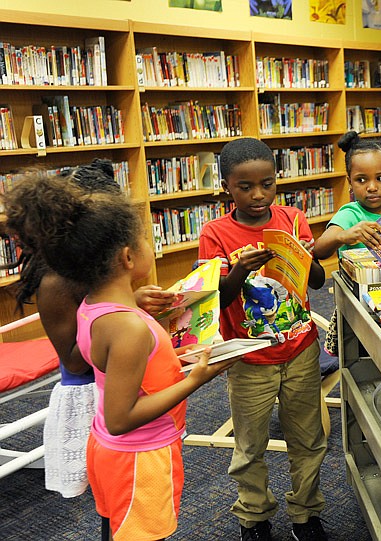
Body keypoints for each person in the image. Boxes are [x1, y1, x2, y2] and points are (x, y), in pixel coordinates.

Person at [2, 169, 237, 541]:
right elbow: (120, 417)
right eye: (144, 239)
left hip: (115, 453)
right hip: (139, 456)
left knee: (118, 529)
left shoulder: (94, 305)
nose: (149, 245)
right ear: (127, 256)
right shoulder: (126, 326)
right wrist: (196, 379)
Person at [2, 160, 175, 501]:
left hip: (119, 387)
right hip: (91, 394)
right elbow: (75, 361)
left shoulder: (106, 272)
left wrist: (134, 305)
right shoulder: (55, 282)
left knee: (128, 497)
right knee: (120, 497)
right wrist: (122, 320)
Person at [197, 137, 328, 541]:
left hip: (300, 349)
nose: (258, 195)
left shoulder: (292, 218)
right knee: (250, 444)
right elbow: (215, 300)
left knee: (307, 438)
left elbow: (318, 282)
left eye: (267, 184)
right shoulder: (215, 232)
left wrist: (306, 256)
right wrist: (239, 270)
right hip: (250, 357)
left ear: (277, 181)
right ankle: (253, 516)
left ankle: (306, 514)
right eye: (245, 187)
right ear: (226, 187)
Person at [315, 131, 381, 259]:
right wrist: (343, 236)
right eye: (361, 180)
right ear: (350, 182)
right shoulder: (350, 214)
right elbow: (318, 251)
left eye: (380, 178)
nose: (372, 188)